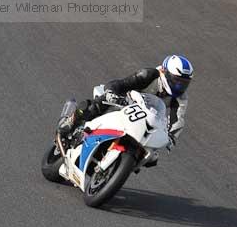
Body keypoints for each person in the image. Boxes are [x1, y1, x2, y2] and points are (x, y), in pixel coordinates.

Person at [57, 55, 193, 166]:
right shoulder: (150, 75)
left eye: (184, 83)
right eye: (176, 81)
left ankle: (116, 167)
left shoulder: (181, 98)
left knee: (150, 158)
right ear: (164, 72)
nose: (179, 86)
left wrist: (170, 138)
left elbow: (177, 121)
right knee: (96, 105)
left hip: (146, 119)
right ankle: (71, 121)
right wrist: (112, 92)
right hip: (124, 103)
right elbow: (122, 83)